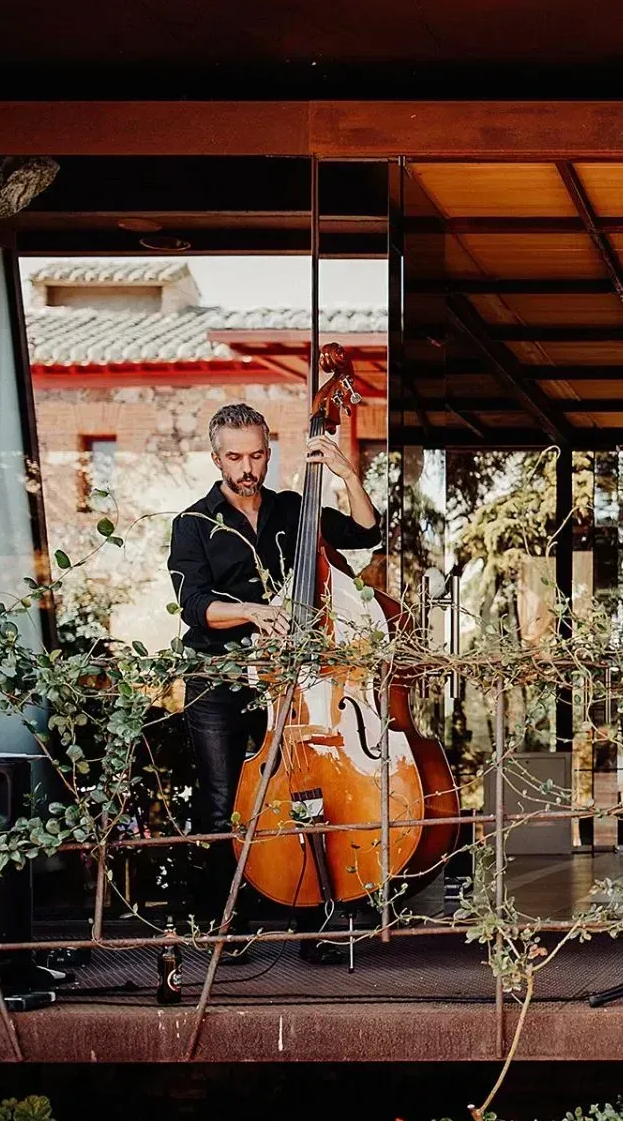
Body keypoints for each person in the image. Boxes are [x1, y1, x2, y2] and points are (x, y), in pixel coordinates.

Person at [166, 402, 382, 961]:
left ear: (269, 454)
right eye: (235, 457)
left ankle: (312, 924)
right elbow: (195, 606)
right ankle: (224, 926)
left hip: (287, 680)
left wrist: (346, 474)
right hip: (218, 677)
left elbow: (365, 532)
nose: (248, 468)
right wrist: (253, 611)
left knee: (301, 791)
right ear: (216, 458)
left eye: (257, 456)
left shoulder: (293, 510)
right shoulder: (193, 523)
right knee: (221, 802)